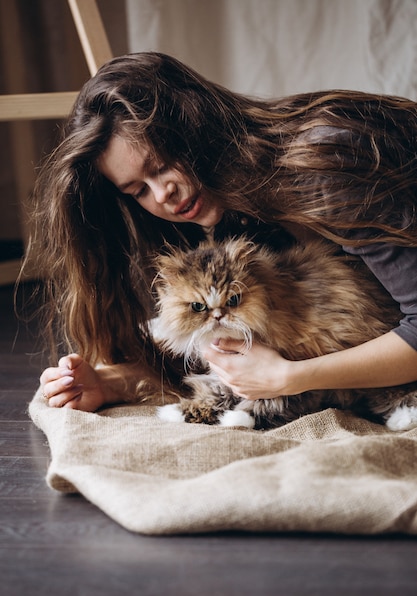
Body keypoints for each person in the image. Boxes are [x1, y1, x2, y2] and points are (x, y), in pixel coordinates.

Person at [32, 51, 417, 413]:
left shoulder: (329, 164)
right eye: (139, 190)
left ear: (197, 126)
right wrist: (114, 382)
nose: (163, 193)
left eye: (163, 164)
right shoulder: (230, 221)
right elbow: (229, 346)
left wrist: (289, 378)